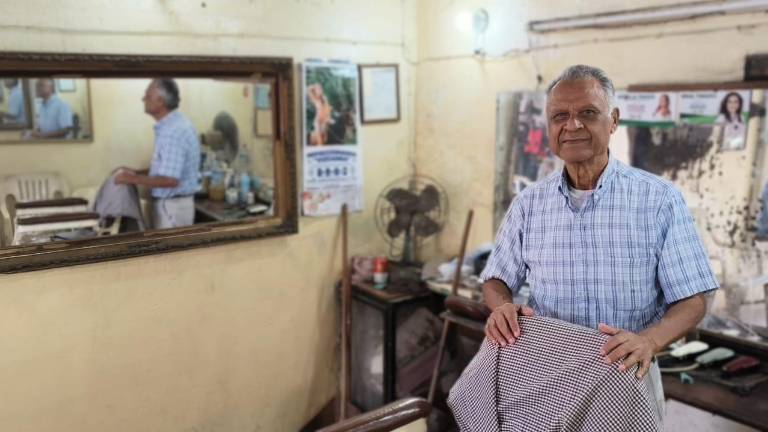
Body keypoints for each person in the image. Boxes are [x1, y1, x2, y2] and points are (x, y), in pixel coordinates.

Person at [481, 65, 718, 421]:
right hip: (547, 380)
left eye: (588, 113)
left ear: (614, 121)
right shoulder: (529, 204)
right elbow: (497, 278)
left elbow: (693, 299)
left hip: (624, 378)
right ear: (549, 127)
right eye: (560, 116)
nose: (572, 125)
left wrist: (649, 341)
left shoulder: (658, 200)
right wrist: (501, 306)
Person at [114, 78, 200, 229]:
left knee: (171, 253)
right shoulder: (173, 124)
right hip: (172, 205)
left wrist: (132, 178)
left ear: (160, 101)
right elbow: (164, 169)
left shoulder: (173, 131)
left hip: (172, 207)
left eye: (147, 96)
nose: (143, 99)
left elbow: (170, 180)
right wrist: (135, 172)